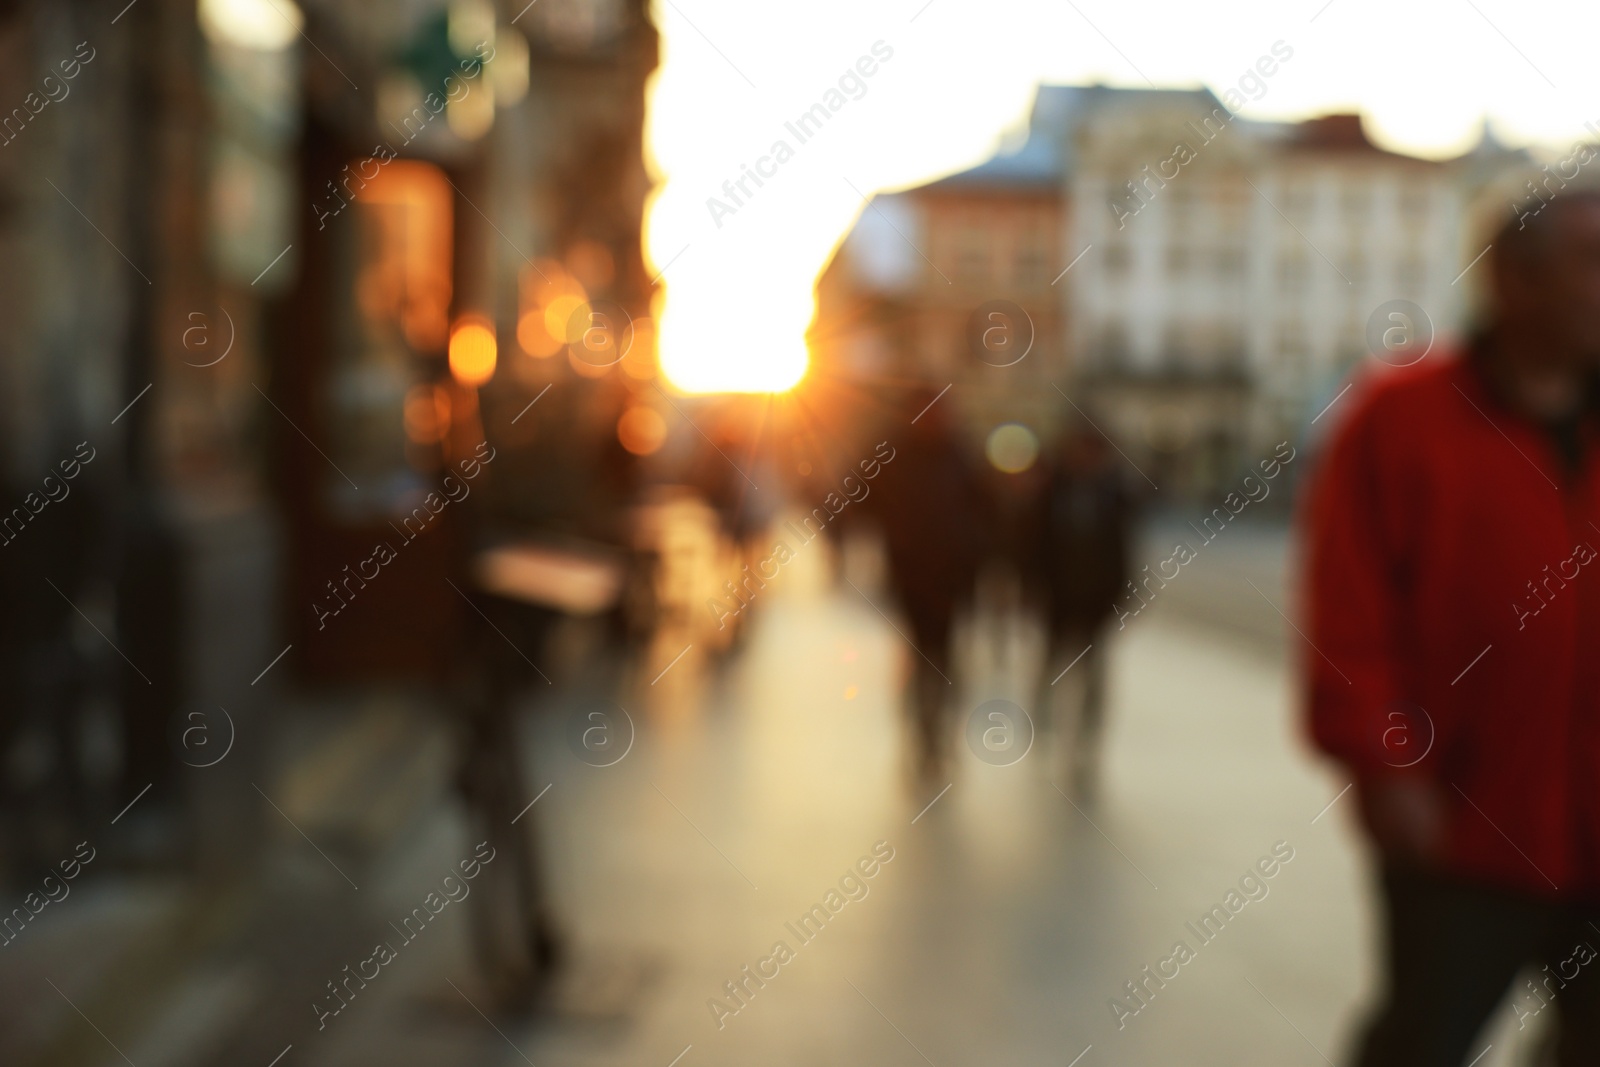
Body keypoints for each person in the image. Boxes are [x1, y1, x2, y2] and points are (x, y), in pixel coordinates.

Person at [1303, 181, 1600, 1065]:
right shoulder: (1403, 418)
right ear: (1515, 280)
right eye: (1592, 261)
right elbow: (1348, 613)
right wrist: (1391, 768)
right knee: (1423, 1039)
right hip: (1462, 827)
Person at [868, 389, 985, 783]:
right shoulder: (897, 455)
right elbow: (861, 503)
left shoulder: (960, 455)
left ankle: (941, 736)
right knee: (922, 660)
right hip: (913, 579)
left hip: (952, 580)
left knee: (946, 662)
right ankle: (922, 736)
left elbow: (986, 514)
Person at [1034, 423, 1131, 799]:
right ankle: (1047, 722)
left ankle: (1086, 741)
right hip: (1058, 601)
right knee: (1052, 665)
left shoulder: (1113, 495)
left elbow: (1122, 549)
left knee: (1094, 676)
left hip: (1095, 603)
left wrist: (1120, 596)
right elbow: (1034, 541)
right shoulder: (1053, 490)